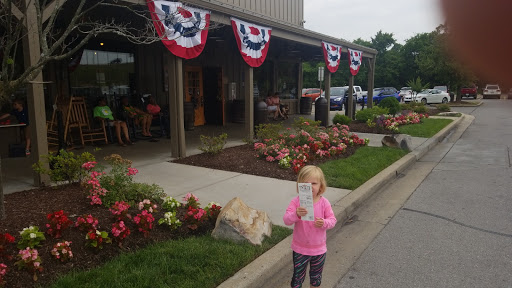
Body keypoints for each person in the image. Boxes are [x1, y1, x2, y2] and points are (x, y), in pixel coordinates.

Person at [283, 165, 337, 288]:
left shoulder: (324, 203)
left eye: (314, 183)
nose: (310, 186)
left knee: (316, 279)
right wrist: (296, 214)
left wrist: (324, 223)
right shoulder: (296, 202)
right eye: (305, 183)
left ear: (320, 186)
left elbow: (332, 220)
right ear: (300, 186)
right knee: (297, 279)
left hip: (319, 249)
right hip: (300, 249)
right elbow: (286, 220)